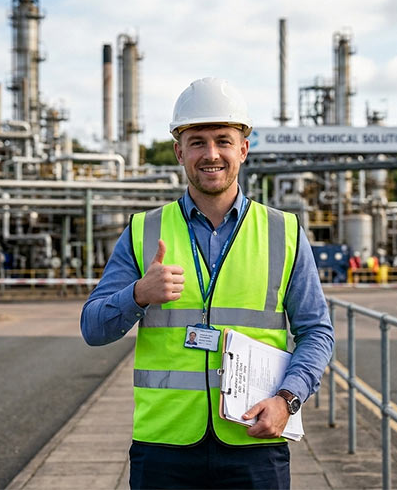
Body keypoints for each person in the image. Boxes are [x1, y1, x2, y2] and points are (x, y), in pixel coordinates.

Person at [81, 77, 334, 489]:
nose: (211, 154)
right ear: (179, 152)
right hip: (164, 445)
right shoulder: (144, 230)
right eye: (197, 142)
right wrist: (137, 295)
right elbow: (93, 329)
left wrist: (288, 400)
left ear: (243, 149)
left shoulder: (283, 232)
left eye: (223, 141)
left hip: (254, 440)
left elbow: (317, 331)